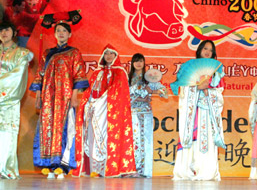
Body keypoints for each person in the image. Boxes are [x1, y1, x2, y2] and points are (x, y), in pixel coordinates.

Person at [29, 22, 88, 179]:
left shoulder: (74, 53)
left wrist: (75, 96)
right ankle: (49, 164)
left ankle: (62, 164)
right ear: (54, 34)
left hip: (66, 97)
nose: (61, 33)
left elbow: (79, 75)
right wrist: (38, 97)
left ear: (70, 34)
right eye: (58, 31)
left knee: (64, 129)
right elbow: (40, 75)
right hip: (48, 97)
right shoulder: (47, 53)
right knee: (47, 128)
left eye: (64, 31)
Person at [73, 44, 136, 178]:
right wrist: (89, 101)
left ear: (116, 56)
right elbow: (89, 90)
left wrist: (101, 101)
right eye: (106, 53)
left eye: (111, 53)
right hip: (94, 110)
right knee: (93, 138)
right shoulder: (96, 72)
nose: (108, 56)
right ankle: (94, 169)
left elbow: (118, 93)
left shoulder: (120, 72)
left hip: (108, 112)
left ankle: (108, 168)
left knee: (108, 138)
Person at [172, 40, 226, 181]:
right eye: (205, 48)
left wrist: (209, 91)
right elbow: (183, 91)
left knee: (206, 139)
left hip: (207, 112)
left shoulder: (216, 71)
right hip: (192, 112)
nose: (208, 51)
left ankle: (206, 170)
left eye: (210, 50)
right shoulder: (189, 68)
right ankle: (187, 171)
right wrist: (196, 88)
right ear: (200, 50)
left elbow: (219, 93)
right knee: (190, 136)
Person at [0, 22, 33, 179]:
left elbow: (18, 75)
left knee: (7, 134)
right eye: (0, 30)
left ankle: (5, 168)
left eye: (7, 30)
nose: (3, 33)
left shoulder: (21, 53)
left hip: (8, 99)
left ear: (13, 33)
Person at [128, 53, 163, 178]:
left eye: (141, 61)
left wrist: (154, 91)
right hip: (133, 112)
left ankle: (145, 171)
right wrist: (138, 93)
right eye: (136, 61)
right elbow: (126, 94)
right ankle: (133, 169)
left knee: (146, 140)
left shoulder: (149, 77)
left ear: (144, 63)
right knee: (134, 139)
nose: (138, 63)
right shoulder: (128, 77)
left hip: (146, 112)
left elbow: (162, 92)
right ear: (132, 63)